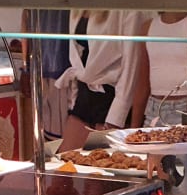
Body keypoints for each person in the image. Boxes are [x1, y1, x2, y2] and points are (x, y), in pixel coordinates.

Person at [55, 10, 152, 150]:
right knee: (65, 158)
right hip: (85, 93)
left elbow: (132, 66)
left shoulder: (128, 10)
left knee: (106, 159)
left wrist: (116, 117)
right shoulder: (78, 7)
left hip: (112, 95)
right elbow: (78, 55)